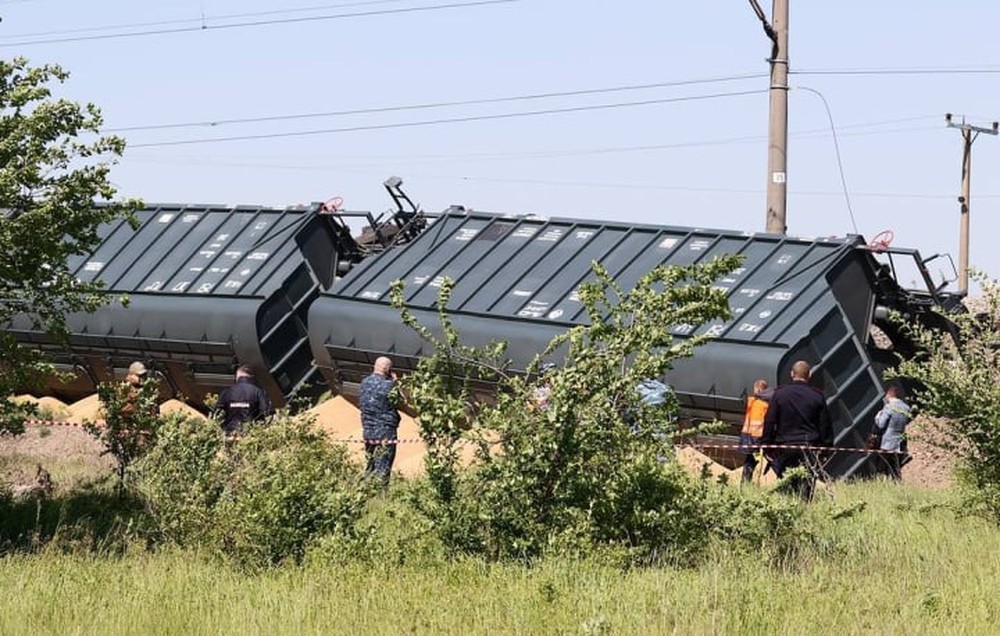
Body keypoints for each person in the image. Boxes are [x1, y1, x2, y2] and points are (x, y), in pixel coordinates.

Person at [762, 360, 833, 501]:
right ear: (810, 375)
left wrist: (767, 446)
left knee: (785, 484)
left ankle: (786, 514)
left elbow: (769, 422)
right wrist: (825, 449)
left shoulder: (779, 394)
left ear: (791, 374)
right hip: (809, 448)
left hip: (784, 447)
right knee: (806, 487)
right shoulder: (817, 396)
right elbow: (825, 425)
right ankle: (804, 513)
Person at [359, 356, 402, 486]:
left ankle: (365, 493)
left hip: (368, 430)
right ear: (388, 369)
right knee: (383, 466)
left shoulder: (364, 383)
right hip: (385, 431)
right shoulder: (389, 386)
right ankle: (381, 498)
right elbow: (401, 402)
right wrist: (396, 383)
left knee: (370, 464)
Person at [215, 364, 273, 438]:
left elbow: (217, 413)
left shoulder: (227, 392)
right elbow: (266, 412)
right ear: (252, 377)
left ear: (237, 376)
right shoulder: (258, 391)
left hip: (229, 434)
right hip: (250, 436)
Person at [871, 384, 912, 478]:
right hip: (900, 443)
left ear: (889, 395)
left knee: (881, 468)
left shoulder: (889, 407)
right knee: (896, 469)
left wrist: (877, 416)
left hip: (887, 443)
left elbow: (881, 424)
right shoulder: (906, 408)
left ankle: (882, 487)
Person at [740, 379, 772, 484]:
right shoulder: (766, 404)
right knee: (753, 461)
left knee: (750, 462)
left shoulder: (752, 402)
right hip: (759, 437)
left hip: (753, 438)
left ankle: (746, 483)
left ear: (758, 389)